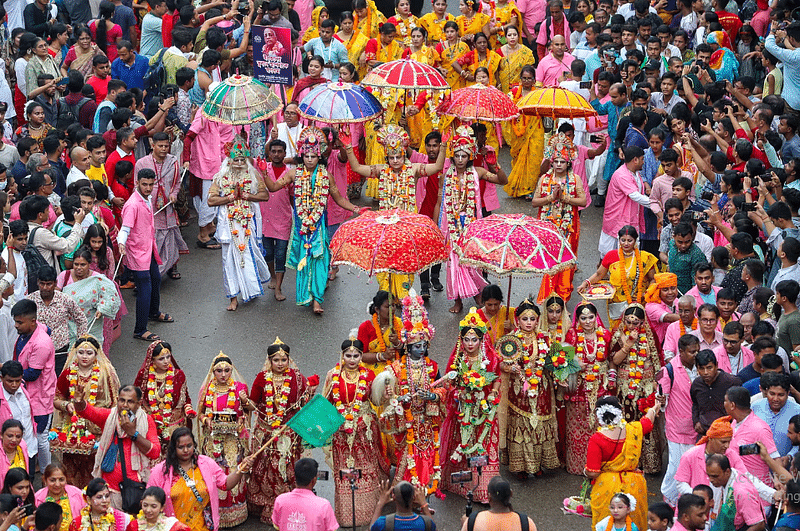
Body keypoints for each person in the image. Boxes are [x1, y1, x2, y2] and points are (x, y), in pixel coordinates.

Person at [264, 126, 363, 315]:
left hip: (318, 226)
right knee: (304, 260)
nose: (310, 160)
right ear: (302, 156)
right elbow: (275, 187)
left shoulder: (326, 176)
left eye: (314, 157)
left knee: (319, 259)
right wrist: (262, 173)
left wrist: (357, 208)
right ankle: (305, 296)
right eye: (307, 156)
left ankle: (317, 299)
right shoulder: (294, 174)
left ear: (320, 157)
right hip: (301, 226)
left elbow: (340, 199)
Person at [343, 124, 445, 300]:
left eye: (399, 156)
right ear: (387, 157)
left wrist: (443, 147)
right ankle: (388, 296)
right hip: (386, 226)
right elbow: (358, 168)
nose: (396, 160)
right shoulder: (382, 170)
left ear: (404, 155)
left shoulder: (412, 169)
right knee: (385, 263)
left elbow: (436, 168)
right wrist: (348, 148)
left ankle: (403, 296)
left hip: (407, 227)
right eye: (392, 157)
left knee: (406, 263)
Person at [374, 290, 444, 492]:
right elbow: (385, 395)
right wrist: (399, 399)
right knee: (408, 458)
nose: (420, 349)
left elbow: (442, 389)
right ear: (408, 347)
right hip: (407, 422)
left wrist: (432, 396)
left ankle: (424, 495)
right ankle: (407, 496)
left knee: (429, 458)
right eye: (416, 346)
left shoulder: (432, 366)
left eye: (423, 345)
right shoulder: (396, 368)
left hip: (427, 422)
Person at [434, 126, 507, 314]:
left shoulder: (478, 172)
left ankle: (477, 294)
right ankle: (458, 300)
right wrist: (435, 227)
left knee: (472, 261)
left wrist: (494, 165)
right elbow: (439, 202)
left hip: (471, 224)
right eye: (457, 155)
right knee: (453, 263)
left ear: (470, 157)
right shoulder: (446, 176)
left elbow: (502, 181)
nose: (460, 160)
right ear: (452, 156)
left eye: (464, 156)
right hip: (451, 224)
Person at [247, 338, 316, 524]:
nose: (280, 364)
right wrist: (245, 402)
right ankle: (266, 504)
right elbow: (254, 403)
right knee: (265, 468)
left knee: (284, 469)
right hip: (266, 432)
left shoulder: (297, 377)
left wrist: (311, 392)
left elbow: (304, 405)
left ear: (288, 360)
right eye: (276, 360)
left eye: (283, 360)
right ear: (269, 361)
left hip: (287, 433)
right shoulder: (262, 378)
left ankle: (288, 503)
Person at [440, 308, 500, 503]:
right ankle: (463, 485)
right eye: (466, 339)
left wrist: (492, 392)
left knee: (482, 444)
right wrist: (457, 392)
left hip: (484, 411)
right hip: (463, 410)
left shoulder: (489, 356)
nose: (470, 344)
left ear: (481, 340)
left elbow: (496, 377)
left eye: (474, 340)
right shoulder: (458, 359)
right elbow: (449, 381)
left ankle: (483, 489)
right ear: (461, 340)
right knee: (463, 443)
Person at [206, 136, 270, 312]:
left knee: (249, 255)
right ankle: (233, 297)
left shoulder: (253, 174)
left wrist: (248, 197)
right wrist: (230, 198)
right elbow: (211, 201)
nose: (240, 163)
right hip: (228, 225)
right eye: (236, 159)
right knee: (229, 262)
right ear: (229, 159)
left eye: (243, 159)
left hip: (248, 222)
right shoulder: (220, 177)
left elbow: (265, 196)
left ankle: (251, 288)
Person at [72, 383, 161, 510]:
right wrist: (79, 401)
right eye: (122, 400)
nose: (124, 405)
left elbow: (155, 452)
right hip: (109, 491)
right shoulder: (110, 417)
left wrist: (133, 434)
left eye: (130, 401)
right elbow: (87, 411)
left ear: (138, 403)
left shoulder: (146, 421)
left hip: (134, 490)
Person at [146, 427, 254, 531]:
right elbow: (149, 499)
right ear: (173, 448)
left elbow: (225, 484)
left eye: (189, 446)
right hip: (173, 528)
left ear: (194, 445)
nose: (186, 450)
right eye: (180, 447)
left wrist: (242, 468)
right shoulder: (161, 471)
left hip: (203, 527)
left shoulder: (206, 464)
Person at [499, 298, 559, 477]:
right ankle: (521, 466)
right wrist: (511, 368)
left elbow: (553, 362)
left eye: (532, 319)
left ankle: (539, 463)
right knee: (520, 426)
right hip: (518, 389)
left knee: (540, 424)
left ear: (538, 320)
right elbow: (500, 364)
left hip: (541, 388)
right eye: (525, 319)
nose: (529, 323)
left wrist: (557, 369)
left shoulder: (545, 339)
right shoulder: (511, 340)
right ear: (518, 320)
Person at [51, 336, 119, 488]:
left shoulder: (105, 373)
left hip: (97, 429)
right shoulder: (68, 373)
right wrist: (66, 405)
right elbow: (56, 398)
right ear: (75, 353)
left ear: (96, 354)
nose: (84, 357)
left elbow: (115, 403)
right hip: (73, 430)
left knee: (95, 470)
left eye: (89, 353)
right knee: (72, 470)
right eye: (81, 352)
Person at [586, 395, 661, 531]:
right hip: (634, 485)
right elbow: (647, 421)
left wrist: (585, 472)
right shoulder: (634, 429)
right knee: (634, 521)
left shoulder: (597, 439)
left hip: (607, 487)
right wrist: (654, 408)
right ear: (619, 412)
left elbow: (593, 472)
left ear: (598, 415)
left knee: (606, 523)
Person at [196, 353, 252, 528]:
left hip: (233, 440)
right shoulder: (207, 389)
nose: (223, 374)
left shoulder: (239, 388)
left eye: (227, 370)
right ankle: (215, 511)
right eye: (219, 371)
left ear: (232, 370)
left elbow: (249, 409)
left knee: (234, 469)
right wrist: (207, 421)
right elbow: (200, 413)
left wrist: (244, 404)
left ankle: (236, 513)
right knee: (214, 472)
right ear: (213, 372)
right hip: (214, 441)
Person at [119, 169, 174, 342]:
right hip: (137, 252)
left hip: (148, 248)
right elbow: (125, 229)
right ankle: (140, 329)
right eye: (144, 184)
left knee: (156, 279)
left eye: (151, 184)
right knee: (145, 288)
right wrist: (121, 243)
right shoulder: (132, 204)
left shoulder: (147, 198)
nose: (148, 188)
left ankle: (153, 312)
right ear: (137, 183)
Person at [607, 304, 662, 473]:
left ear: (642, 323)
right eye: (628, 322)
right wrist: (628, 345)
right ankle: (630, 461)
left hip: (646, 386)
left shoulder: (649, 336)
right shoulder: (619, 335)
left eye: (635, 322)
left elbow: (656, 359)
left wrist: (656, 382)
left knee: (647, 423)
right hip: (626, 386)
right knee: (628, 422)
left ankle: (650, 464)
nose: (631, 326)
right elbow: (614, 361)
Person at [531, 134, 586, 300]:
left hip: (568, 227)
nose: (559, 165)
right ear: (551, 162)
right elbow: (534, 202)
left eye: (562, 162)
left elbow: (583, 201)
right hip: (549, 227)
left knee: (566, 263)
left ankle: (562, 298)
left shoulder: (574, 179)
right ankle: (548, 298)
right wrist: (551, 198)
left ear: (568, 162)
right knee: (550, 263)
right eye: (556, 161)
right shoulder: (544, 179)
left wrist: (565, 199)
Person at [563, 302, 610, 475]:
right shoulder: (572, 335)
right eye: (583, 318)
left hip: (600, 386)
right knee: (577, 427)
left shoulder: (605, 335)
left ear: (596, 317)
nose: (588, 321)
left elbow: (611, 359)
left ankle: (599, 465)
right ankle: (577, 466)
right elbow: (560, 361)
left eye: (591, 317)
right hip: (579, 388)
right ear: (578, 319)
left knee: (599, 426)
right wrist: (575, 364)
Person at [578, 226, 657, 326]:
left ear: (635, 241)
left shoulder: (645, 257)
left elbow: (653, 280)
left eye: (630, 240)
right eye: (623, 240)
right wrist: (585, 283)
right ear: (619, 240)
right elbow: (599, 274)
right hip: (616, 302)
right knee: (617, 333)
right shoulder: (611, 256)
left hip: (638, 301)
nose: (626, 244)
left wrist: (644, 294)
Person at [134, 132, 187, 280]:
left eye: (166, 146)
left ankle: (169, 267)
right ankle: (150, 275)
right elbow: (135, 187)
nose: (163, 149)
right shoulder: (142, 163)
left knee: (169, 241)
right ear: (153, 145)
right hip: (150, 210)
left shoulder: (173, 162)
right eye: (160, 146)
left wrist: (174, 194)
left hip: (168, 208)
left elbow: (177, 183)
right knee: (153, 241)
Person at [11, 298, 55, 471]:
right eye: (15, 321)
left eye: (19, 322)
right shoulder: (31, 330)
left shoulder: (41, 344)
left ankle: (47, 472)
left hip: (40, 396)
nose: (16, 326)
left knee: (41, 437)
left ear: (32, 321)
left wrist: (6, 371)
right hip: (28, 394)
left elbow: (32, 374)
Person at [132, 341, 195, 458]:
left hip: (174, 427)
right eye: (161, 359)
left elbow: (186, 398)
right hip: (151, 426)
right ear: (152, 360)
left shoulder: (178, 375)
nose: (166, 361)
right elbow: (135, 400)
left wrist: (188, 410)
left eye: (168, 357)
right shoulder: (144, 375)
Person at [658, 334, 700, 505]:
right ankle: (669, 498)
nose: (696, 354)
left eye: (698, 350)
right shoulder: (668, 370)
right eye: (692, 352)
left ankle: (684, 500)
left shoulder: (702, 366)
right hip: (676, 427)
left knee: (692, 466)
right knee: (675, 466)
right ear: (681, 352)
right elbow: (661, 398)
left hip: (696, 427)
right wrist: (660, 401)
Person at [56, 249, 121, 351]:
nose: (79, 268)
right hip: (68, 328)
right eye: (76, 264)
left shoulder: (98, 279)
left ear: (89, 264)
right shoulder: (64, 276)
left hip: (92, 326)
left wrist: (102, 309)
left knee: (91, 358)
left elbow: (110, 297)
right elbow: (56, 298)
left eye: (83, 265)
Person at [272, 458, 338, 531]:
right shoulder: (324, 506)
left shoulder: (280, 500)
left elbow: (277, 526)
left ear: (295, 477)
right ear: (314, 480)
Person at [705, 453, 765, 531]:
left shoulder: (742, 493)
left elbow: (759, 524)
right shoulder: (726, 481)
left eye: (715, 476)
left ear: (727, 472)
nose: (711, 480)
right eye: (709, 476)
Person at [690, 349, 742, 437]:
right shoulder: (696, 384)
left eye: (709, 368)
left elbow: (741, 407)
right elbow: (695, 404)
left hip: (728, 433)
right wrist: (696, 421)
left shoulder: (732, 382)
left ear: (716, 365)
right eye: (702, 369)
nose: (706, 373)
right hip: (705, 433)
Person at [458, 476, 536, 531]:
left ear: (489, 497)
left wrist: (465, 524)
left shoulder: (473, 521)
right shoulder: (526, 523)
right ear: (511, 494)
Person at [753, 373, 800, 456]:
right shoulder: (755, 406)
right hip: (758, 464)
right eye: (772, 394)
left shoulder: (797, 411)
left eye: (781, 395)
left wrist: (790, 457)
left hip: (785, 467)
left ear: (788, 393)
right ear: (766, 392)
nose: (775, 399)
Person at [34, 463, 86, 531]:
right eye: (52, 480)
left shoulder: (77, 494)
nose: (57, 484)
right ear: (45, 480)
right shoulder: (37, 498)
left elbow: (86, 518)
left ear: (66, 479)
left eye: (61, 480)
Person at [0, 387, 34, 477]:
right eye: (10, 436)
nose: (14, 440)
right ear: (1, 435)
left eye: (18, 437)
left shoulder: (22, 447)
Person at [124, 486, 190, 531]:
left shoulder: (172, 526)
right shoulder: (134, 526)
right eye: (145, 505)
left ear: (162, 507)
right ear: (141, 503)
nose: (148, 510)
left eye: (153, 506)